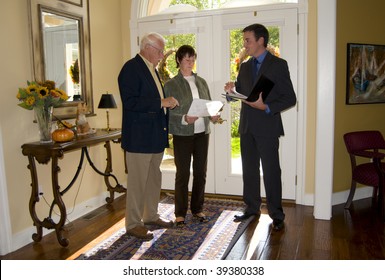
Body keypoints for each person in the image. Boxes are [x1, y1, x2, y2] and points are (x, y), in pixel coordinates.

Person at [224, 24, 296, 231]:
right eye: (244, 40)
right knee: (249, 170)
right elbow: (241, 94)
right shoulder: (245, 66)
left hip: (267, 126)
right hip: (247, 127)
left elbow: (290, 98)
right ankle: (251, 208)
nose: (244, 44)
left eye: (247, 40)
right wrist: (231, 91)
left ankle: (277, 214)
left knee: (272, 171)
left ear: (261, 41)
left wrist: (267, 107)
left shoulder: (278, 65)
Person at [118, 32, 179, 240]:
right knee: (137, 183)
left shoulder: (151, 69)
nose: (162, 55)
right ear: (147, 47)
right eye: (160, 50)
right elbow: (130, 102)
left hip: (154, 136)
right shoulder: (131, 68)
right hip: (138, 138)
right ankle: (133, 223)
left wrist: (165, 105)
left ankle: (150, 216)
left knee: (154, 179)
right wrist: (161, 103)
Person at [164, 45, 220, 226]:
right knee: (182, 174)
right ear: (179, 60)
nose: (190, 62)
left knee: (200, 173)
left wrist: (213, 114)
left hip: (202, 133)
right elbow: (167, 114)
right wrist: (184, 119)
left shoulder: (201, 82)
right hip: (182, 134)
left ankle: (197, 209)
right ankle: (180, 213)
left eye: (192, 59)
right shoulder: (171, 85)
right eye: (186, 59)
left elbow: (208, 105)